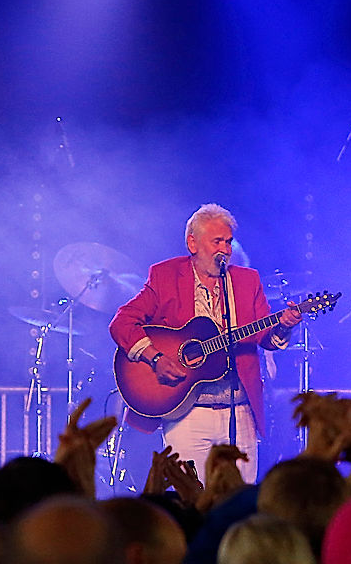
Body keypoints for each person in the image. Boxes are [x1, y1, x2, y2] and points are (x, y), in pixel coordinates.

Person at [110, 204, 303, 482]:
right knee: (190, 498)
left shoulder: (247, 280)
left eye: (228, 242)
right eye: (217, 242)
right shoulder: (165, 276)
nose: (224, 249)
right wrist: (155, 357)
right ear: (193, 242)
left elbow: (266, 338)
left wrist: (283, 327)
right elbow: (122, 322)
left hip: (239, 409)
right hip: (187, 411)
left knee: (239, 501)